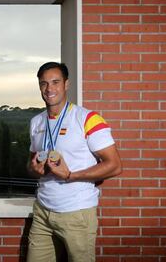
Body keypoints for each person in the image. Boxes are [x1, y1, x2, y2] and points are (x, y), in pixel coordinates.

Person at [27, 62, 122, 262]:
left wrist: (71, 175)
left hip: (76, 212)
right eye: (44, 83)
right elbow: (31, 165)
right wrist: (35, 169)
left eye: (55, 82)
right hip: (43, 211)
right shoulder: (36, 122)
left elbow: (114, 165)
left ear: (67, 84)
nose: (49, 89)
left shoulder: (88, 118)